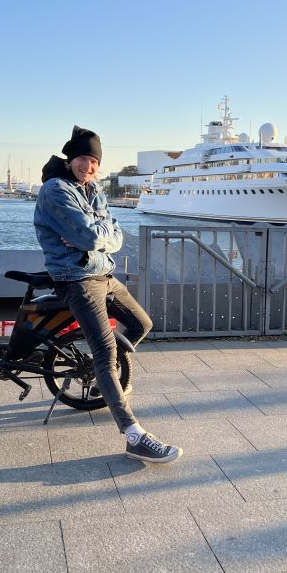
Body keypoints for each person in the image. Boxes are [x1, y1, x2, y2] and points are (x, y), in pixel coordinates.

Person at [34, 125, 182, 464]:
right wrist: (99, 234)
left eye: (95, 161)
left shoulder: (93, 189)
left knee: (142, 323)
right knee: (104, 351)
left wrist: (100, 234)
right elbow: (89, 236)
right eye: (84, 159)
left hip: (103, 272)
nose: (90, 166)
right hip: (76, 278)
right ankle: (133, 435)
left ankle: (104, 381)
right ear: (72, 158)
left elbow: (114, 234)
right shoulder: (56, 190)